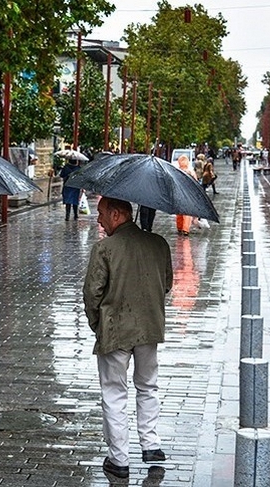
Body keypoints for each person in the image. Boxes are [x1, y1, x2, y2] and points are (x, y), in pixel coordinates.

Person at [82, 197, 173, 479]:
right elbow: (167, 283)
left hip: (115, 330)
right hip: (149, 328)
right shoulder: (158, 243)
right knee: (148, 386)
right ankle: (151, 444)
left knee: (114, 393)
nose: (99, 220)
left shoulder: (104, 248)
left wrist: (97, 324)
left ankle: (119, 459)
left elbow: (92, 294)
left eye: (101, 214)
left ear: (117, 214)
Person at [175, 155, 196, 236]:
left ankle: (179, 227)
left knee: (179, 212)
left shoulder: (177, 171)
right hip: (188, 194)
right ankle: (185, 229)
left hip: (179, 194)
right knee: (187, 213)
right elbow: (195, 183)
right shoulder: (191, 171)